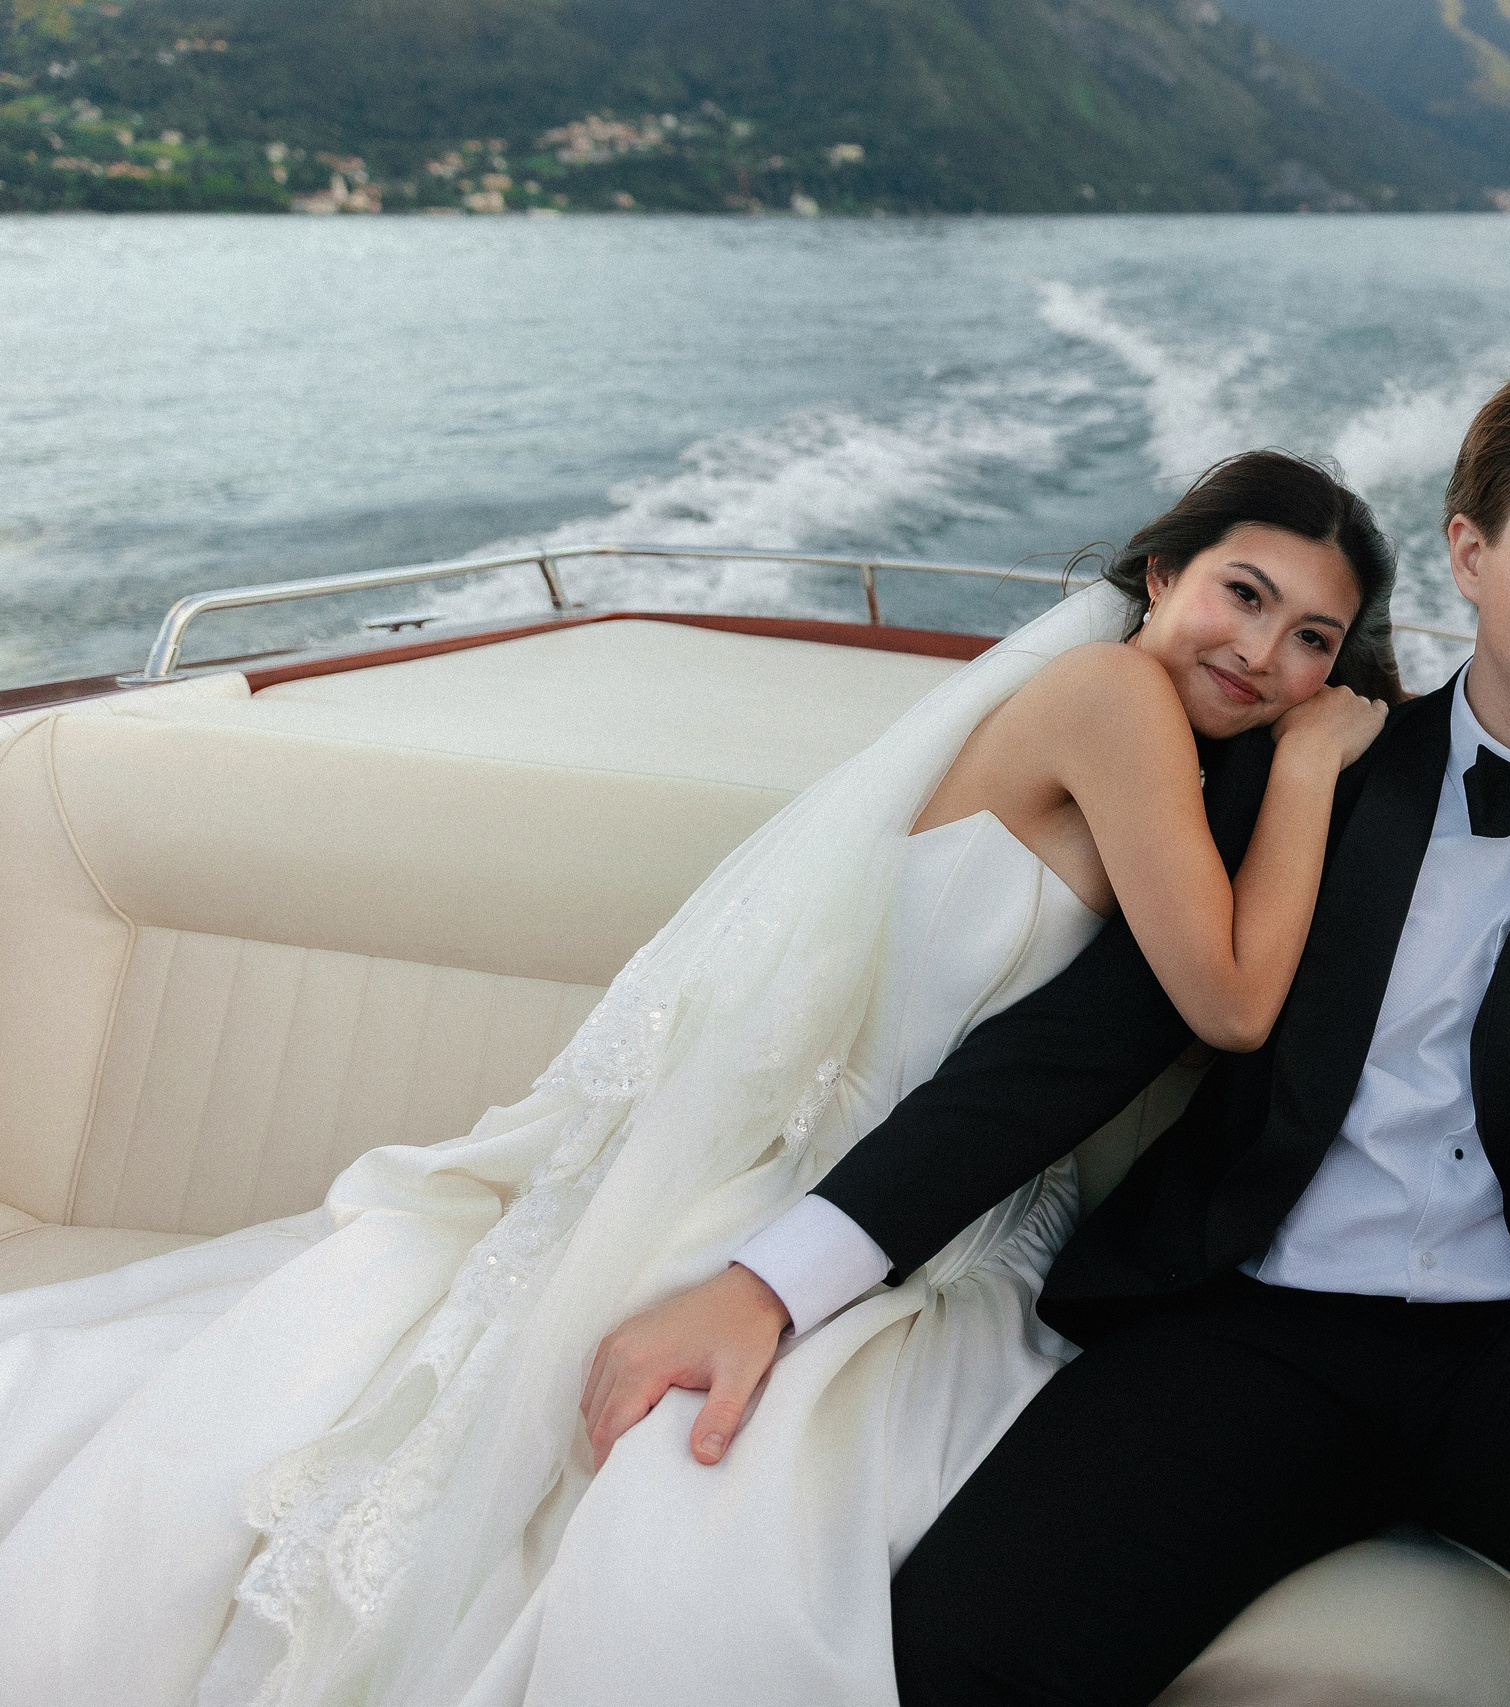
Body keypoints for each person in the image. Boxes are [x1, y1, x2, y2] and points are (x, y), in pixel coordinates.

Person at [593, 327, 1510, 1704]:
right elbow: (1064, 1054)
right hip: (1253, 1333)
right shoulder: (1302, 774)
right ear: (1472, 558)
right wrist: (772, 1284)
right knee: (958, 1657)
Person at [0, 451, 1395, 1707]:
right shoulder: (1110, 699)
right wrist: (1320, 765)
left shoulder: (1188, 753)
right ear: (1162, 576)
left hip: (956, 1223)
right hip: (821, 1192)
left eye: (1311, 639)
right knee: (681, 1528)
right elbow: (1226, 998)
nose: (1263, 652)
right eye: (1244, 594)